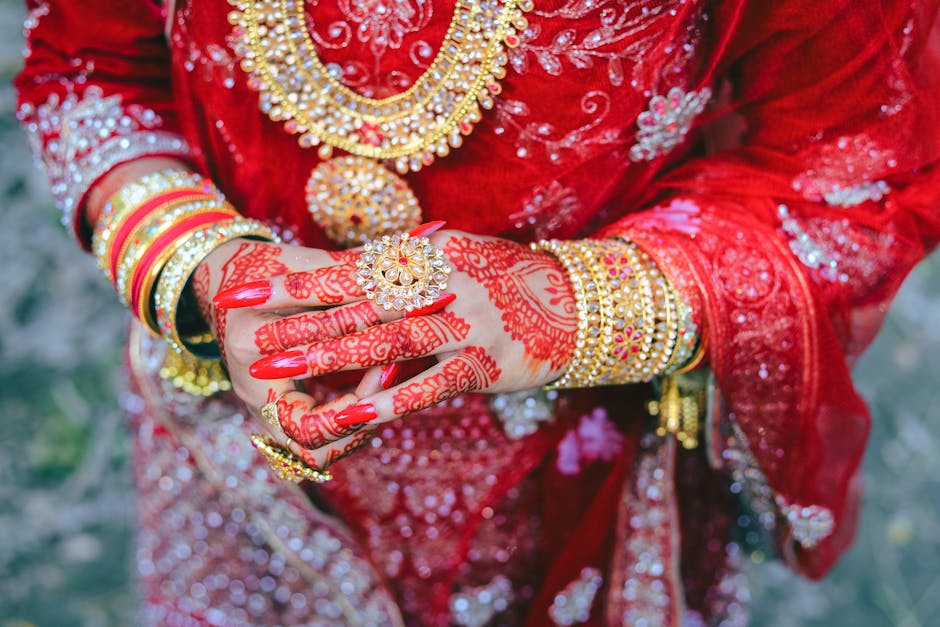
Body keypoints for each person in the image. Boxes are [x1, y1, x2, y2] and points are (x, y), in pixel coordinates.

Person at [15, 0, 940, 624]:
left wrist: (573, 306)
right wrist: (200, 271)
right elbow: (85, 64)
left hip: (580, 473)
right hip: (231, 453)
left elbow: (850, 175)